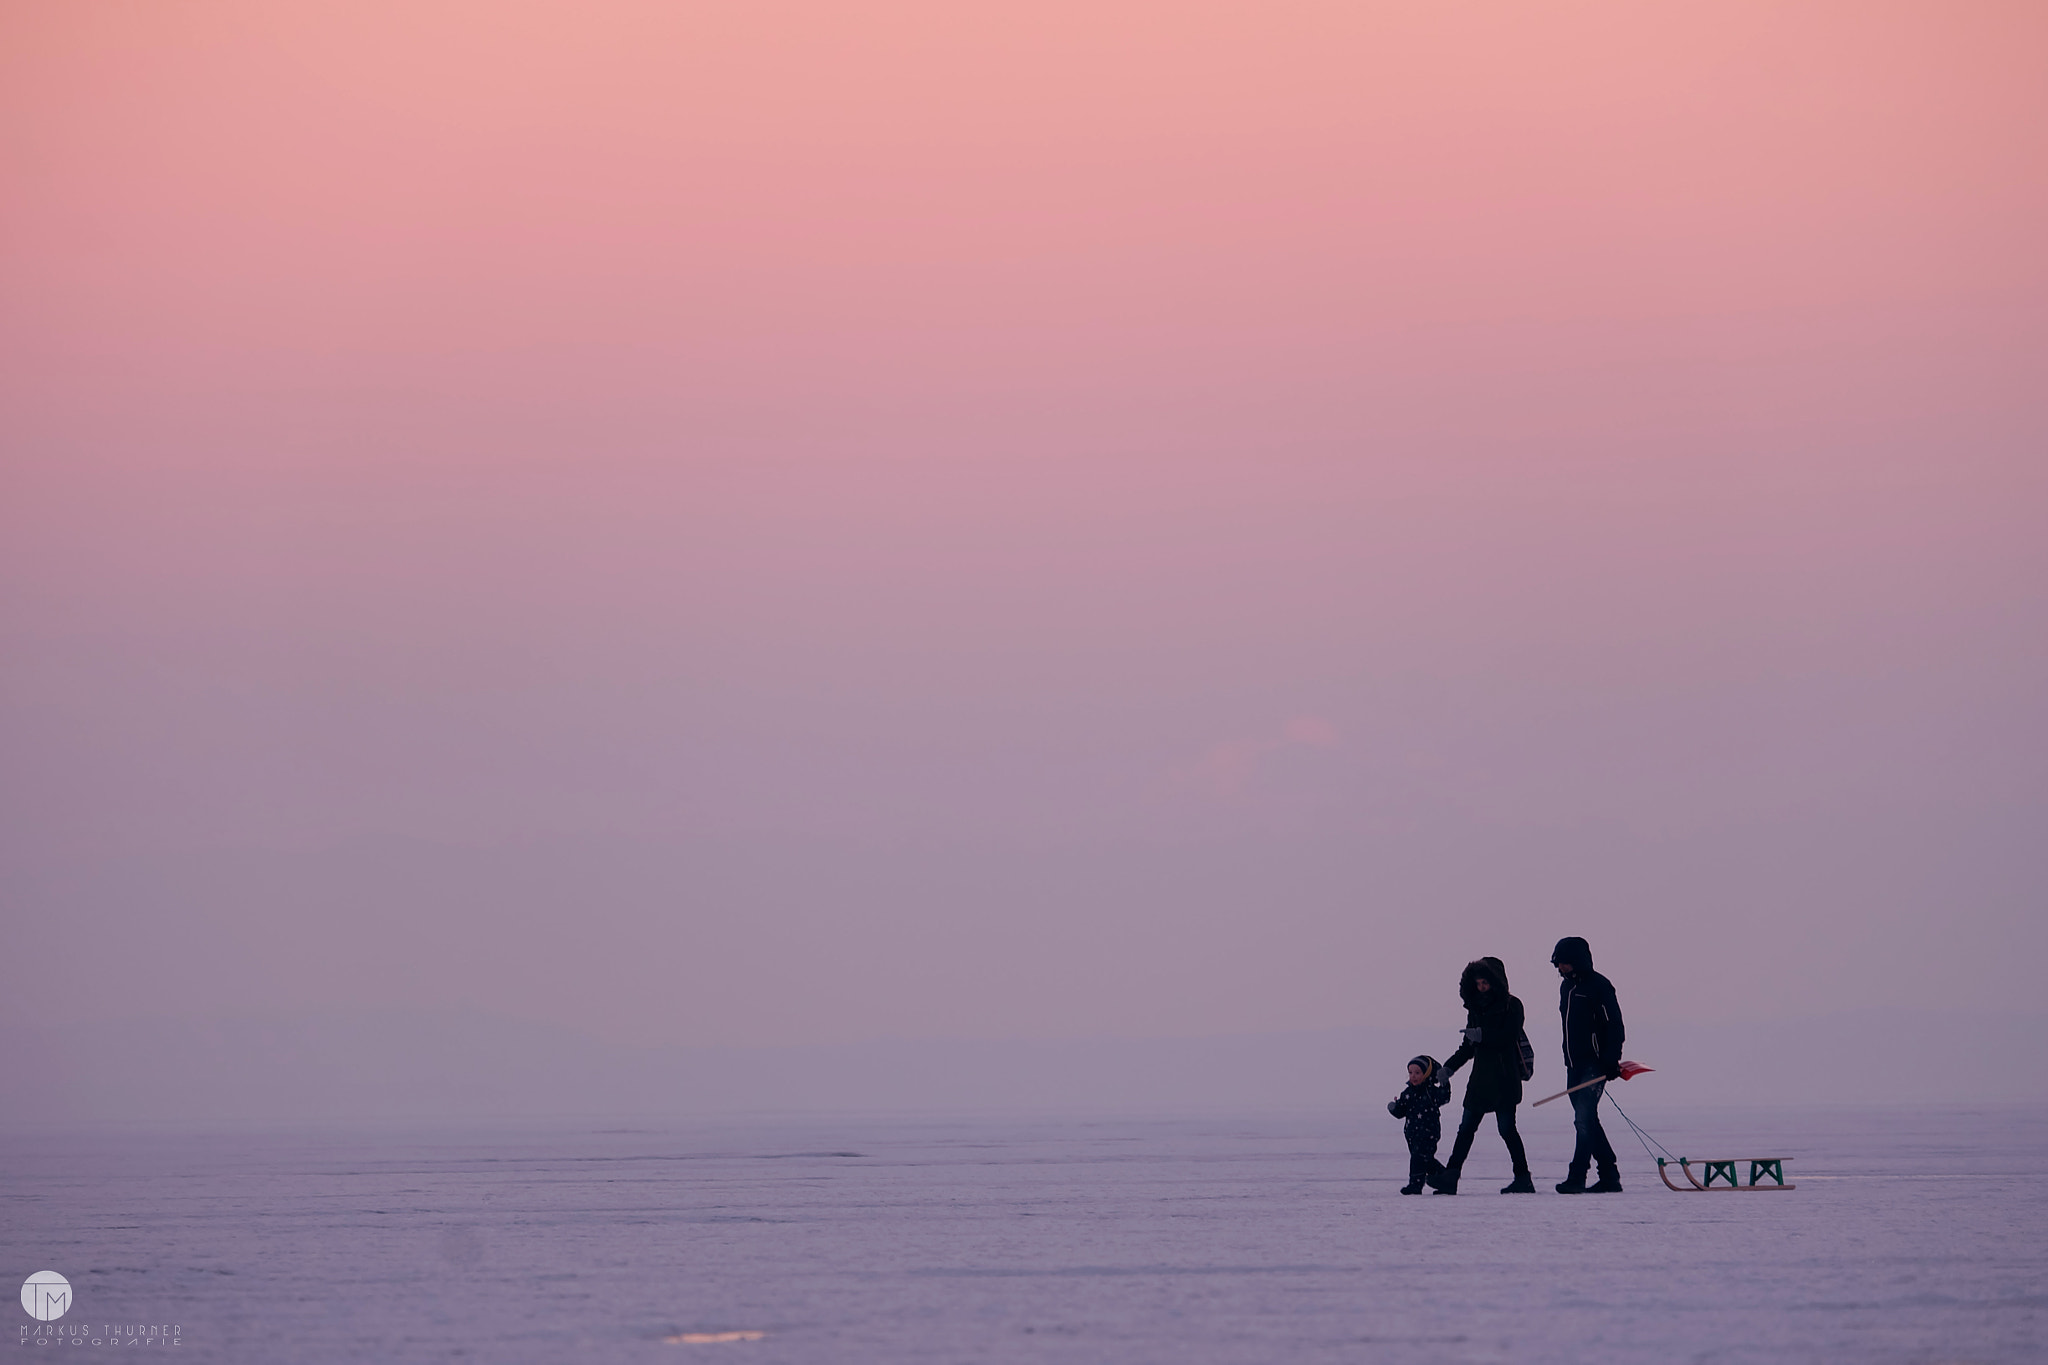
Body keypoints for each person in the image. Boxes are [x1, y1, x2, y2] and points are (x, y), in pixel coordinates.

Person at [1427, 957, 1534, 1194]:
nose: (1482, 987)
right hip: (1481, 1081)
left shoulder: (1512, 1005)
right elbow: (1468, 1046)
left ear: (1497, 982)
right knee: (1465, 1129)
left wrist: (1482, 1035)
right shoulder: (1476, 1007)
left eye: (1485, 982)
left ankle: (1523, 1177)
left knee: (1507, 1129)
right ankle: (1451, 1176)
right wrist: (1448, 1068)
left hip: (1505, 1077)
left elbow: (1508, 1036)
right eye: (1478, 983)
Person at [1551, 936, 1625, 1193]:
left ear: (1577, 962)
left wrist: (1610, 1060)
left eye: (1565, 963)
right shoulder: (1566, 989)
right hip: (1573, 1064)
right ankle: (1609, 1175)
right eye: (1558, 964)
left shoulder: (1599, 986)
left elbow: (1614, 1024)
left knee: (1583, 1120)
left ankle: (1577, 1176)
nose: (1561, 968)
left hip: (1595, 1064)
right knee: (1588, 1119)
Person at [1388, 1054, 1451, 1195]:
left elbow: (1444, 1097)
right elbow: (1401, 1111)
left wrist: (1445, 1082)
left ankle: (1415, 1185)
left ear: (1427, 1073)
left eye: (1417, 1073)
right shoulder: (1408, 1093)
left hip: (1429, 1132)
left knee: (1418, 1157)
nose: (1413, 1076)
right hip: (1412, 1133)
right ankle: (1446, 1179)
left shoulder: (1431, 1092)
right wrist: (1394, 1108)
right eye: (1410, 1073)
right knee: (1425, 1160)